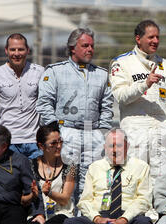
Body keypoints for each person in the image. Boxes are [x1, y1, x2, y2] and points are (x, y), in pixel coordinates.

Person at [36, 28, 114, 207]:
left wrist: (102, 132)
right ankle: (65, 222)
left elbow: (107, 105)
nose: (90, 49)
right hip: (66, 132)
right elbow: (44, 103)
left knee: (92, 182)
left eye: (92, 46)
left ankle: (87, 222)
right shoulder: (55, 71)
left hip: (92, 133)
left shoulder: (101, 74)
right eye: (85, 45)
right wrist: (57, 132)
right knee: (65, 182)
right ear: (72, 48)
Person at [108, 20, 166, 220]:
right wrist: (144, 84)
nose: (155, 41)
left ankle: (158, 219)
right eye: (151, 37)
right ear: (138, 39)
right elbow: (120, 96)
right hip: (135, 125)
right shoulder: (122, 62)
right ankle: (134, 220)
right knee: (135, 175)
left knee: (160, 176)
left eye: (158, 37)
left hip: (159, 128)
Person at [0, 33, 45, 159]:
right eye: (13, 49)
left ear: (28, 50)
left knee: (36, 179)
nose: (16, 53)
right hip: (7, 142)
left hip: (34, 142)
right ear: (6, 51)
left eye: (21, 49)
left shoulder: (40, 72)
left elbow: (46, 105)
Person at [29, 122, 76, 224]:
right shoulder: (30, 165)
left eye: (60, 142)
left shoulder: (70, 166)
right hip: (38, 214)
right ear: (41, 146)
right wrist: (32, 195)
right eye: (53, 143)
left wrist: (49, 193)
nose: (58, 146)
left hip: (61, 214)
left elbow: (65, 199)